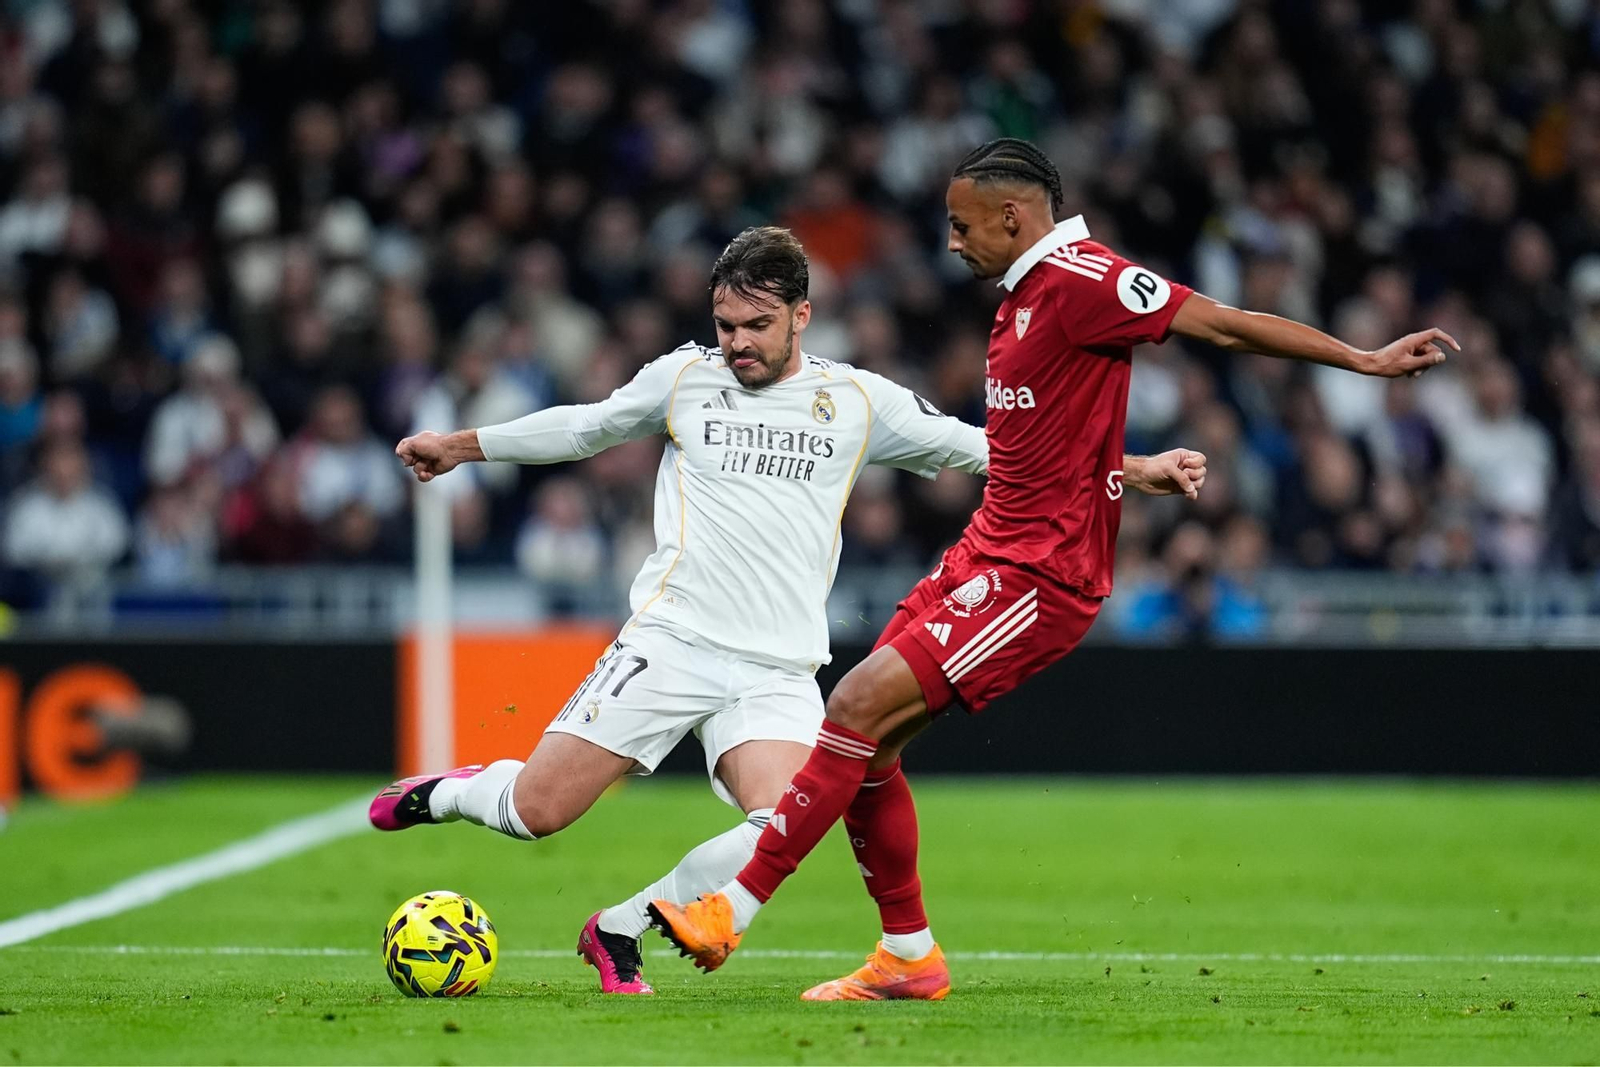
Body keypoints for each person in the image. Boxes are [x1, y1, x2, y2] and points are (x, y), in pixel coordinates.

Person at [648, 140, 1459, 1001]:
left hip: (1041, 576)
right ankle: (909, 956)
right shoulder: (1023, 295)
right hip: (984, 552)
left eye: (963, 225)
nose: (952, 242)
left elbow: (1221, 322)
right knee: (869, 747)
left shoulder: (1086, 278)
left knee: (850, 707)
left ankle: (732, 905)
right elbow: (1059, 428)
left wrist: (1363, 359)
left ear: (1013, 215)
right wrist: (1134, 465)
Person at [367, 226, 1207, 996]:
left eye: (756, 325)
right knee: (535, 814)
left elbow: (988, 449)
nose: (736, 343)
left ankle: (618, 928)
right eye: (726, 324)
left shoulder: (856, 401)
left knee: (787, 824)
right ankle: (452, 791)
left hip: (776, 668)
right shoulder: (682, 379)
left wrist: (1132, 468)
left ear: (801, 316)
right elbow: (586, 428)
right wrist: (462, 445)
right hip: (673, 641)